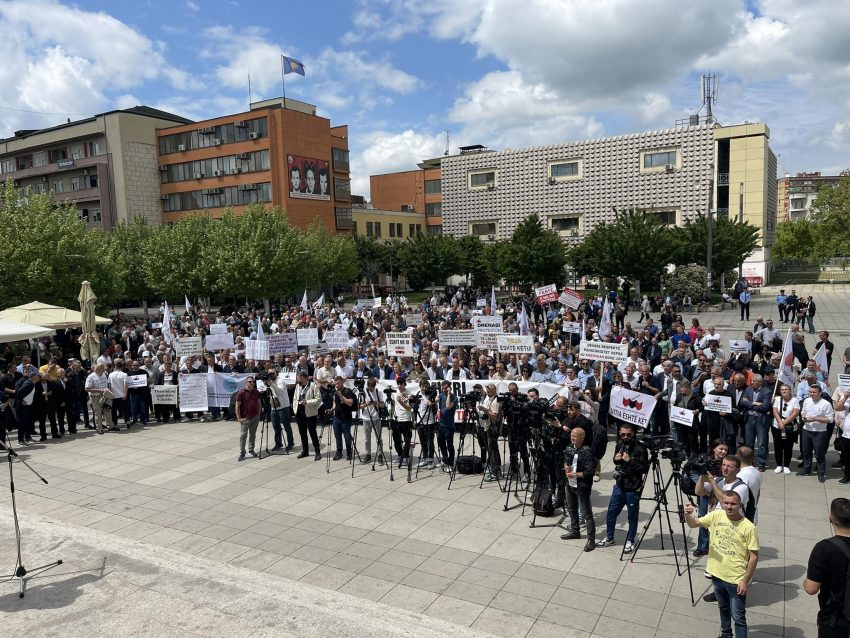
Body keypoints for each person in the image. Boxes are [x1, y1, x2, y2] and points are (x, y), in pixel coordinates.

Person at [684, 491, 759, 638]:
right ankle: (726, 634)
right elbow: (694, 524)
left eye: (733, 503)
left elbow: (754, 556)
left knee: (738, 618)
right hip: (716, 574)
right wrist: (687, 514)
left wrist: (745, 581)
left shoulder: (748, 527)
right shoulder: (716, 515)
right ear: (722, 503)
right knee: (723, 608)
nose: (729, 506)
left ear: (740, 505)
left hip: (735, 579)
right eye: (726, 503)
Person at [596, 423, 649, 553]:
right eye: (623, 434)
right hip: (619, 486)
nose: (625, 436)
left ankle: (630, 540)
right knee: (611, 514)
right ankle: (610, 538)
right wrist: (616, 459)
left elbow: (644, 469)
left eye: (628, 434)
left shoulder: (640, 448)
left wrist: (629, 460)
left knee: (632, 517)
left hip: (633, 489)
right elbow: (617, 462)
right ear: (619, 433)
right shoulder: (619, 444)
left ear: (633, 434)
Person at [804, 497, 850, 637]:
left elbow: (811, 589)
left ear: (830, 518)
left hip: (835, 620)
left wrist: (805, 582)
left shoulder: (824, 549)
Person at [560, 427, 597, 552]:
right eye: (571, 435)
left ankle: (591, 540)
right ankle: (575, 531)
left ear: (582, 438)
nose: (572, 438)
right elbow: (565, 460)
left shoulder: (587, 452)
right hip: (570, 485)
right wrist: (566, 467)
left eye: (575, 436)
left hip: (582, 487)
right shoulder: (570, 447)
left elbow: (589, 472)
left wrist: (574, 474)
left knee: (587, 514)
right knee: (572, 508)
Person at [797, 384, 835, 483]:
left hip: (819, 432)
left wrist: (815, 419)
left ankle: (821, 473)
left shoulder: (826, 404)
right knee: (806, 451)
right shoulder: (807, 400)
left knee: (819, 454)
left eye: (814, 392)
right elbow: (803, 411)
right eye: (810, 392)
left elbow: (830, 419)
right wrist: (803, 416)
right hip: (806, 430)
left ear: (820, 393)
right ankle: (807, 469)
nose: (812, 394)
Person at [771, 383, 800, 474]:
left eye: (786, 389)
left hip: (789, 427)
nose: (784, 391)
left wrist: (784, 423)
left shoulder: (795, 400)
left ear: (790, 391)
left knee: (788, 447)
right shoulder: (777, 399)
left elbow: (795, 413)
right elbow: (775, 411)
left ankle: (786, 465)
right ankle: (779, 465)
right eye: (782, 389)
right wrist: (780, 422)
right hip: (777, 426)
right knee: (778, 446)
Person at [293, 371, 322, 460]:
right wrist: (295, 407)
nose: (297, 379)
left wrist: (307, 402)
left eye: (298, 378)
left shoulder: (313, 386)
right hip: (299, 413)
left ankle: (318, 452)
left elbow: (318, 399)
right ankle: (305, 451)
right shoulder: (298, 386)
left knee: (312, 433)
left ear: (304, 378)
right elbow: (295, 397)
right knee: (302, 433)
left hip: (310, 413)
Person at [235, 377, 262, 462]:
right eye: (250, 382)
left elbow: (259, 403)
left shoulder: (256, 392)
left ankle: (251, 449)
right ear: (246, 383)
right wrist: (239, 418)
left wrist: (259, 414)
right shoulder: (241, 392)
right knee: (243, 436)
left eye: (253, 382)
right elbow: (237, 406)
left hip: (255, 417)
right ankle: (242, 453)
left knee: (252, 434)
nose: (251, 383)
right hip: (245, 418)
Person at [267, 367, 293, 452]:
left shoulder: (280, 381)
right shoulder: (269, 381)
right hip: (274, 406)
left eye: (272, 374)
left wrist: (271, 385)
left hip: (283, 407)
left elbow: (280, 392)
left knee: (286, 426)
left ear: (276, 373)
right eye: (269, 374)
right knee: (275, 426)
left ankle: (290, 443)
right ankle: (278, 443)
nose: (271, 375)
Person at [359, 377, 385, 464]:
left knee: (379, 438)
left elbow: (382, 405)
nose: (371, 388)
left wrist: (375, 403)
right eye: (370, 386)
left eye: (373, 386)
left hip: (376, 418)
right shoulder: (363, 393)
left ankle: (380, 454)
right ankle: (368, 454)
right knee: (367, 438)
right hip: (366, 418)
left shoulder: (379, 392)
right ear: (367, 385)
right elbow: (359, 406)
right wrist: (367, 404)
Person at [331, 375, 355, 461]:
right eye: (335, 383)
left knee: (347, 437)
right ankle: (339, 453)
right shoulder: (335, 392)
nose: (337, 385)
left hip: (346, 418)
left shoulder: (347, 391)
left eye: (338, 383)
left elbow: (350, 403)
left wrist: (341, 396)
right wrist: (331, 409)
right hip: (336, 417)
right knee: (337, 437)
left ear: (342, 382)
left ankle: (349, 453)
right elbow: (335, 403)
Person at [436, 381, 456, 472]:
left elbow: (448, 406)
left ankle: (451, 463)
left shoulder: (454, 398)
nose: (444, 390)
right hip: (441, 424)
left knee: (449, 446)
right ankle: (445, 460)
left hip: (449, 425)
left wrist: (448, 394)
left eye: (445, 388)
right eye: (442, 388)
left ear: (449, 388)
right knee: (441, 444)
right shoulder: (441, 395)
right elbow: (436, 400)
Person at [85, 363, 110, 434]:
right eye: (103, 369)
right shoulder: (91, 377)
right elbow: (87, 388)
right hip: (96, 397)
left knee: (108, 411)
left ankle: (110, 426)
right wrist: (99, 391)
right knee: (98, 414)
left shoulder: (104, 374)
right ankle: (99, 428)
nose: (104, 370)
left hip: (105, 396)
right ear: (99, 369)